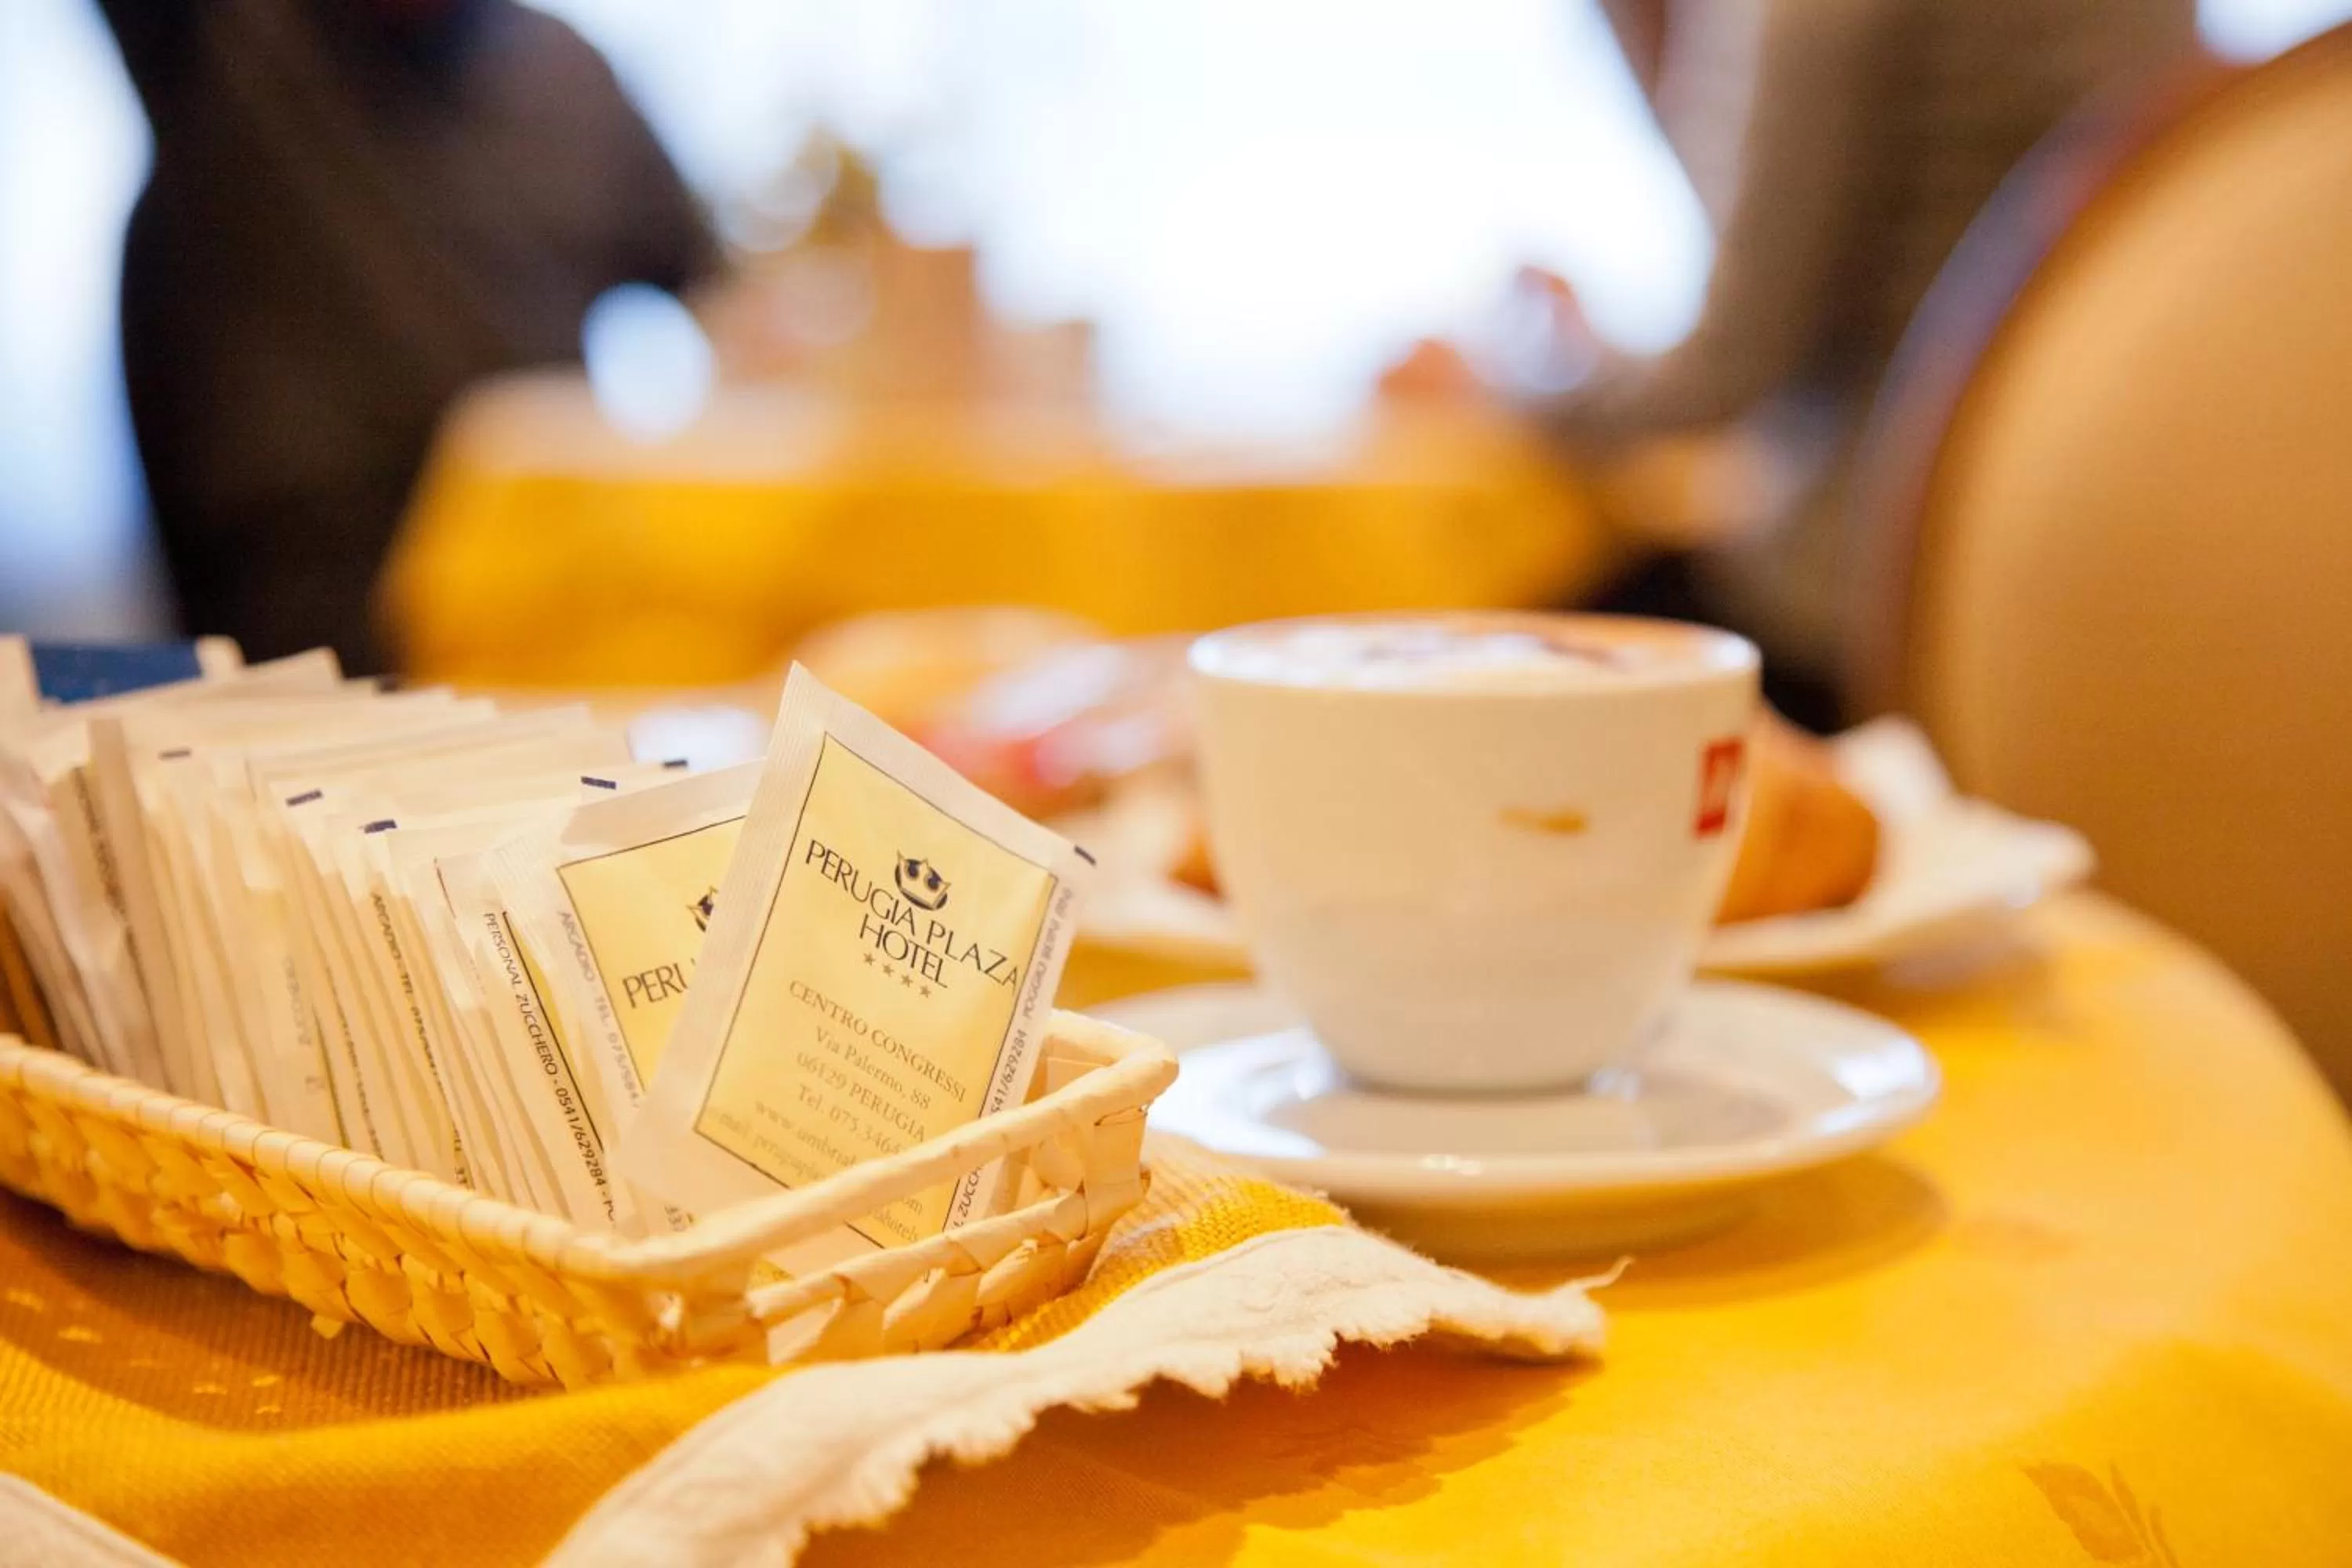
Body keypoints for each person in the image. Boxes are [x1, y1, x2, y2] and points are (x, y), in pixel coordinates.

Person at [1402, 0, 2201, 725]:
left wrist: (1499, 387)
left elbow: (1723, 372)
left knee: (1460, 682)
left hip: (1864, 591)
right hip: (2106, 561)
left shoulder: (1808, 17)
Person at [94, 0, 722, 672]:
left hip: (545, 614)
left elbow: (708, 283)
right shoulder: (217, 46)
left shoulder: (566, 68)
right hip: (304, 623)